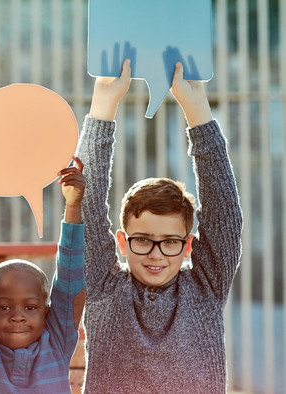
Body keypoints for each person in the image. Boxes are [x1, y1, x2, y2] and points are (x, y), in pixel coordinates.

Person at [78, 60, 243, 393]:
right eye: (143, 240)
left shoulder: (205, 288)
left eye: (170, 242)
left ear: (188, 245)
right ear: (122, 243)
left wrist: (197, 109)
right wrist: (103, 108)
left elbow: (225, 215)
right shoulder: (104, 288)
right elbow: (87, 208)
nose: (156, 255)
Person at [0, 160, 86, 393]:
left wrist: (73, 206)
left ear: (47, 312)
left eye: (31, 307)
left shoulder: (56, 340)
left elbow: (70, 279)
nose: (18, 317)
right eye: (4, 307)